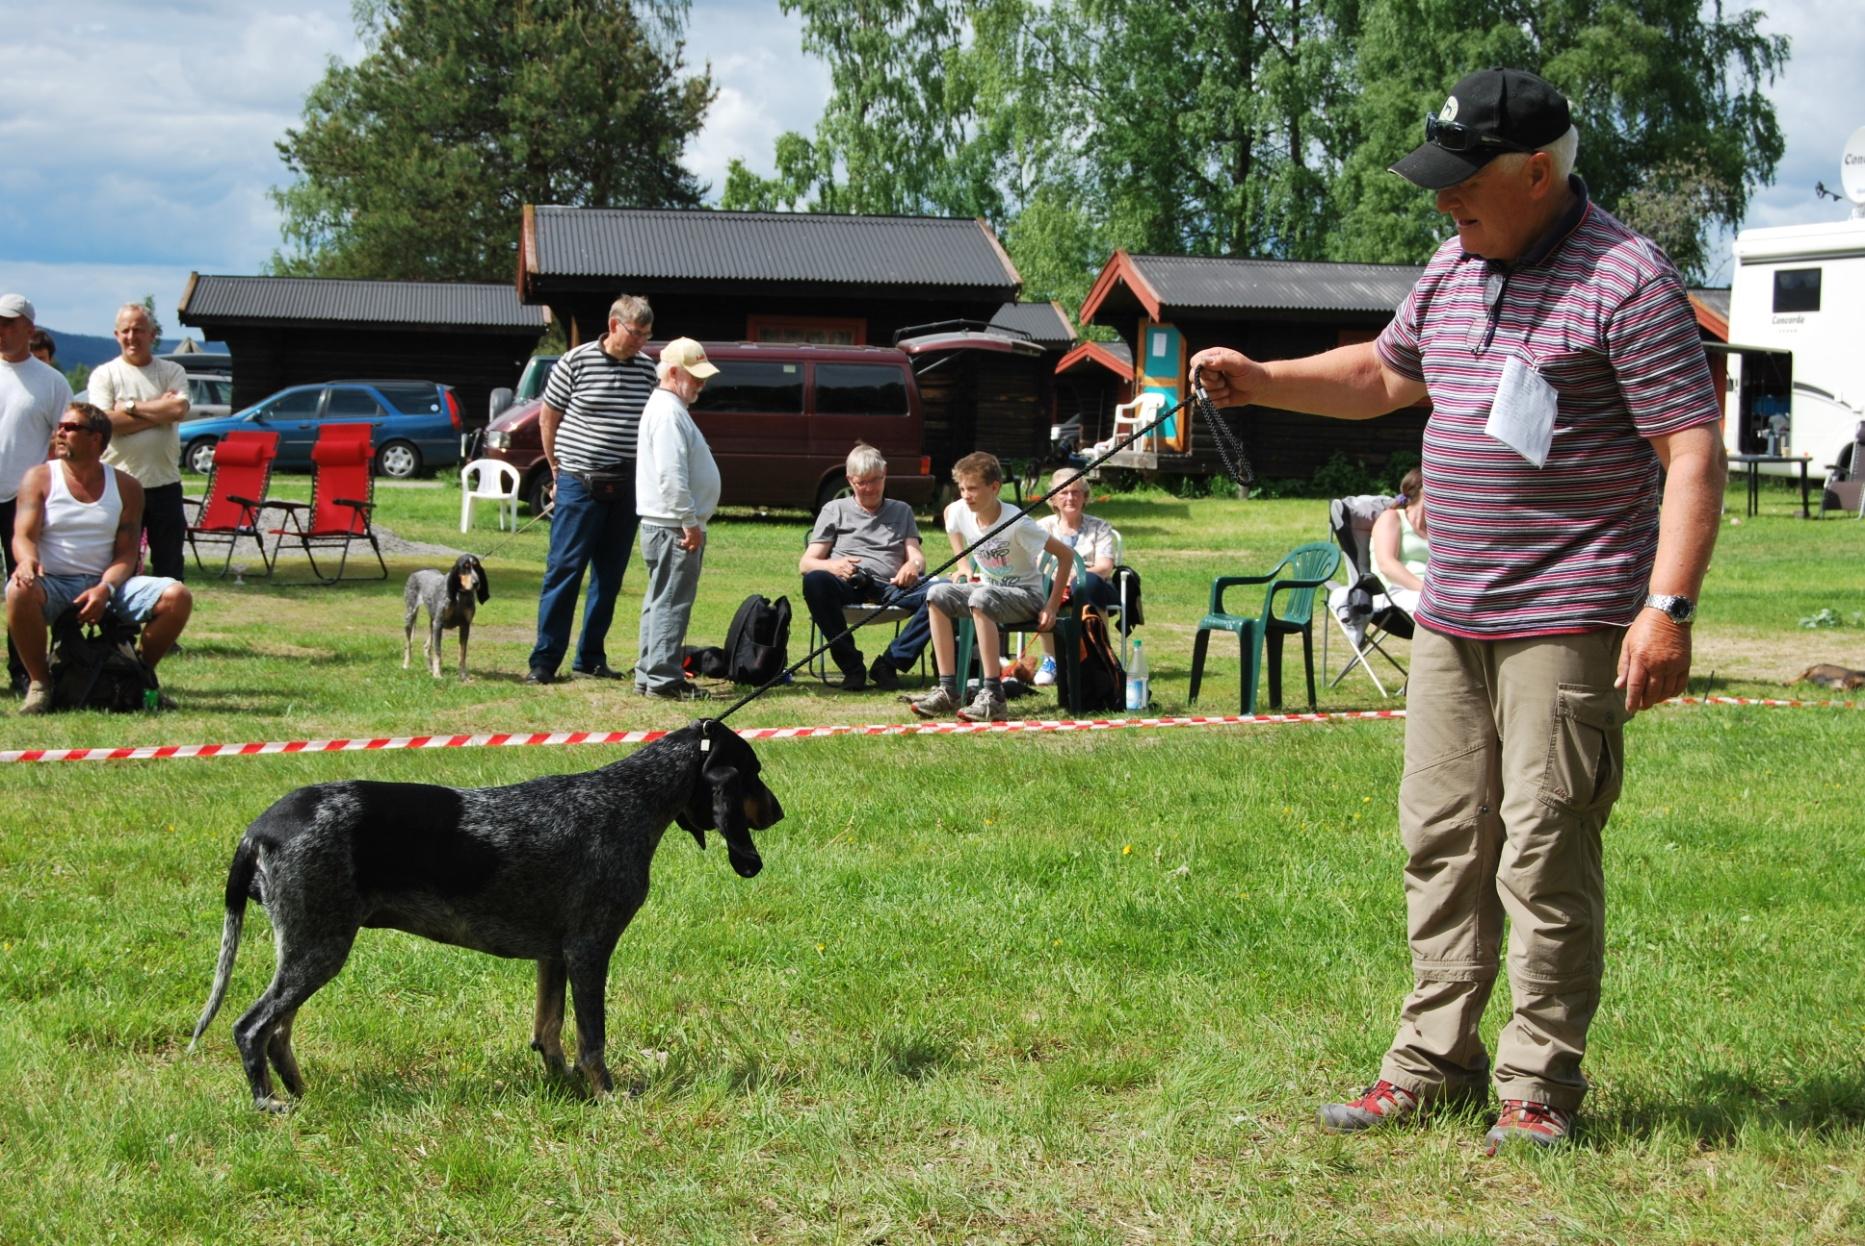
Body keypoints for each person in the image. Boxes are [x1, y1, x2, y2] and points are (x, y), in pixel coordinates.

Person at [1189, 67, 1724, 1153]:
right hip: (1448, 617)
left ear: (1535, 172)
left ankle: (1534, 1087)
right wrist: (1259, 374)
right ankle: (1430, 1065)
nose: (1442, 202)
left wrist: (1665, 607)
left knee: (1540, 849)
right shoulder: (1454, 262)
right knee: (1439, 840)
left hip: (1564, 618)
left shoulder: (1628, 280)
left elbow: (1690, 452)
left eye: (1461, 182)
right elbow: (1383, 377)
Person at [5, 403, 193, 715]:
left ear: (96, 439)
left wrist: (104, 588)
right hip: (54, 583)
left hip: (110, 584)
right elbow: (23, 536)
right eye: (60, 426)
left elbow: (126, 553)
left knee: (177, 596)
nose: (60, 433)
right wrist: (26, 562)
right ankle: (41, 685)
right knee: (17, 589)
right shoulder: (38, 478)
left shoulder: (127, 486)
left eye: (70, 427)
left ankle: (138, 674)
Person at [527, 294, 657, 685]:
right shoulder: (575, 361)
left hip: (626, 485)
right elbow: (548, 418)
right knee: (564, 571)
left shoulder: (648, 370)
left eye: (647, 335)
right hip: (579, 483)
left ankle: (591, 657)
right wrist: (556, 468)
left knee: (609, 575)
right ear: (614, 324)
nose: (641, 342)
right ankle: (544, 661)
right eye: (636, 333)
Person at [903, 452, 1072, 723]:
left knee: (981, 597)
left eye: (972, 489)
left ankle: (993, 695)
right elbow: (950, 518)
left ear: (994, 487)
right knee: (936, 593)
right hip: (989, 590)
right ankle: (948, 689)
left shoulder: (1017, 523)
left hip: (1025, 596)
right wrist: (963, 565)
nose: (966, 495)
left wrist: (1052, 606)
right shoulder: (960, 510)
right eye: (961, 489)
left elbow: (1066, 556)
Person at [799, 442, 938, 691]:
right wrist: (834, 566)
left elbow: (916, 556)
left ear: (885, 475)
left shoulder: (902, 510)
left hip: (892, 584)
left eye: (876, 480)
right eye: (862, 482)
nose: (870, 488)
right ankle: (852, 667)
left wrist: (912, 566)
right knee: (814, 581)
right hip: (848, 582)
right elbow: (807, 563)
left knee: (943, 593)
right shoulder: (834, 509)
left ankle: (889, 663)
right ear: (849, 480)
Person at [633, 338, 721, 701]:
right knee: (671, 602)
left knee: (659, 600)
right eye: (694, 376)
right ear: (672, 373)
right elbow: (672, 476)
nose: (701, 384)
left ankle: (649, 673)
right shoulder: (668, 413)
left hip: (667, 524)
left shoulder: (668, 408)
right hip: (673, 526)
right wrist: (689, 522)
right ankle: (664, 679)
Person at [86, 303, 190, 581]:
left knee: (169, 567)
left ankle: (164, 622)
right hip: (118, 486)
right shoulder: (104, 375)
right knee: (120, 564)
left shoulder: (172, 371)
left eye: (139, 330)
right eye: (126, 331)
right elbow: (104, 424)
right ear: (116, 335)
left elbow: (178, 410)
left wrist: (128, 406)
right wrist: (160, 412)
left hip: (164, 484)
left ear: (152, 334)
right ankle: (118, 625)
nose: (132, 337)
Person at [1, 294, 70, 693]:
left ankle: (23, 670)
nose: (1, 331)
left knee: (22, 584)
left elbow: (64, 443)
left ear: (29, 328)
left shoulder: (51, 382)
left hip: (22, 499)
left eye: (8, 323)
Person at [1030, 468, 1120, 686]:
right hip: (1052, 582)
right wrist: (1062, 576)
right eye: (1064, 492)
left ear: (1085, 497)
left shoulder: (1099, 527)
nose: (1070, 498)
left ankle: (1099, 657)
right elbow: (1035, 565)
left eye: (1076, 492)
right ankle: (1052, 661)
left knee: (1088, 584)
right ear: (1053, 498)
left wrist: (1076, 575)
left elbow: (1105, 566)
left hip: (1091, 581)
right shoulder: (1041, 527)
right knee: (1044, 585)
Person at [1370, 468, 1429, 616]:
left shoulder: (1435, 528)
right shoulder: (1392, 517)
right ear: (1423, 489)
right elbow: (1387, 564)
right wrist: (1425, 590)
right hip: (1397, 593)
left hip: (1432, 595)